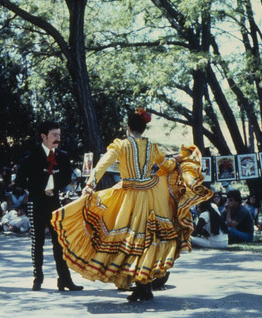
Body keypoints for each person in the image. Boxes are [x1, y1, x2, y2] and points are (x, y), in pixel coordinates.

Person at [50, 108, 212, 301]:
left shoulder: (121, 145)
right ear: (143, 129)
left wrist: (90, 184)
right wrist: (182, 157)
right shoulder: (151, 146)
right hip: (150, 195)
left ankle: (142, 286)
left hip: (129, 196)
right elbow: (166, 164)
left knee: (131, 238)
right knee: (147, 239)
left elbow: (102, 164)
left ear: (128, 127)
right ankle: (144, 285)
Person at [15, 120, 83, 292]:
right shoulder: (31, 156)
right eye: (54, 135)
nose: (57, 139)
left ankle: (64, 279)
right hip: (36, 202)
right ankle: (38, 278)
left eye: (59, 135)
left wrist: (56, 187)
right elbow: (20, 180)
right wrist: (38, 189)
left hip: (55, 203)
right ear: (44, 136)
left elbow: (68, 177)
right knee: (37, 241)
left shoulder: (63, 156)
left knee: (59, 242)